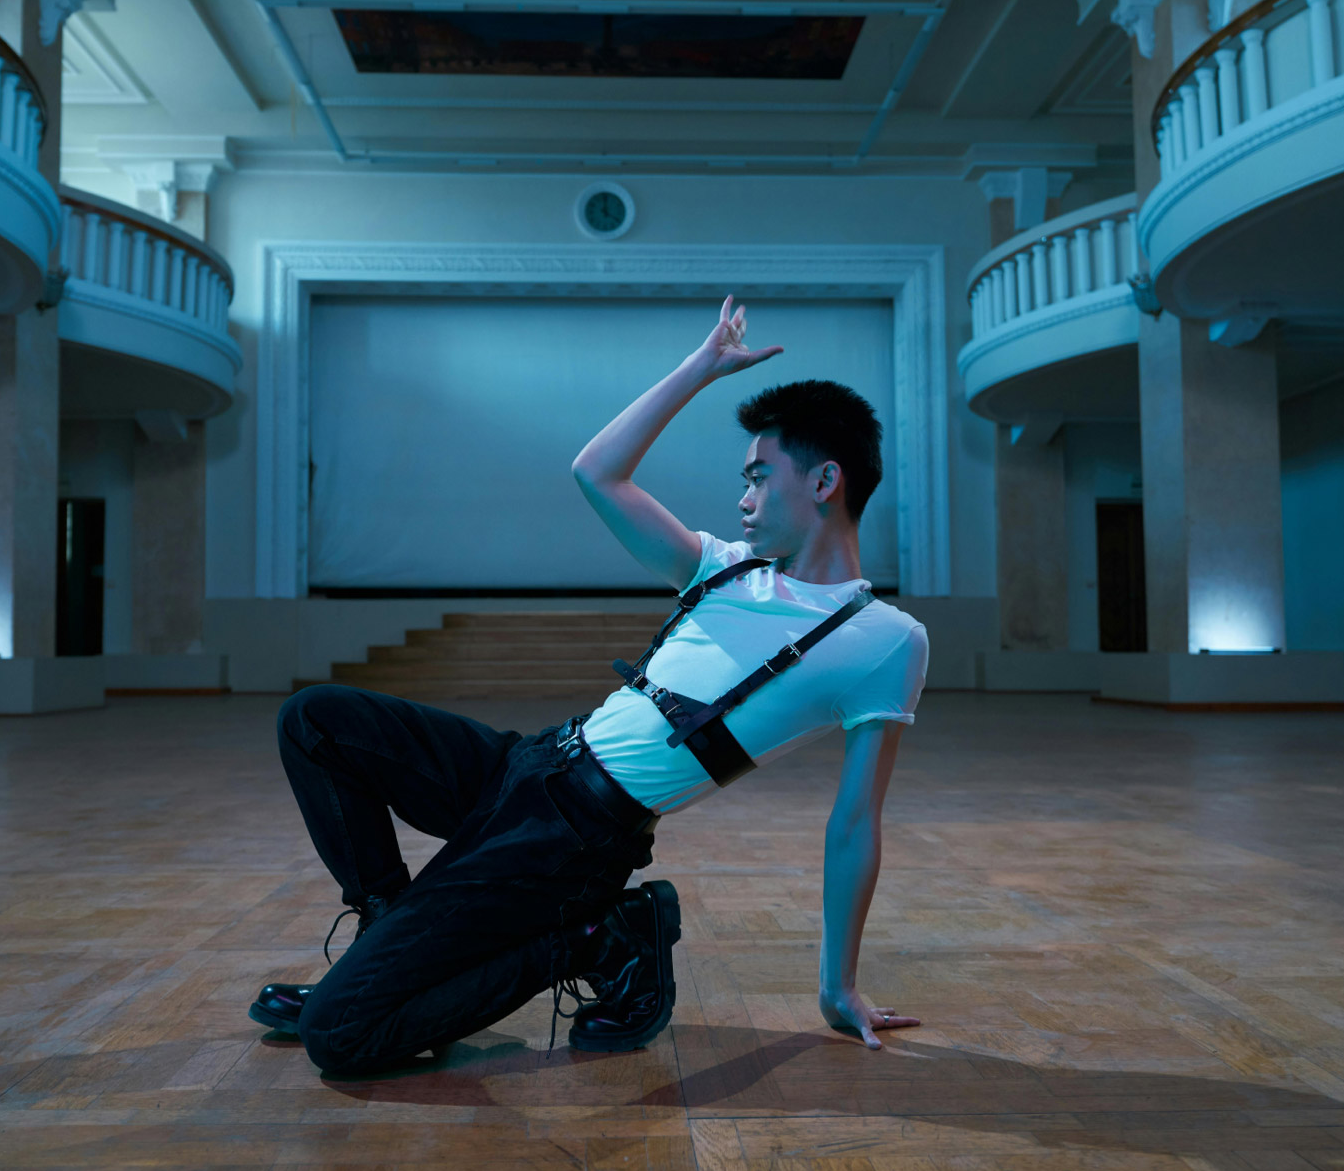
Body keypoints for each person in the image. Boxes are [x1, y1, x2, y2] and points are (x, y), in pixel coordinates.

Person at [252, 295, 930, 1075]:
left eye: (758, 478)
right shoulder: (722, 565)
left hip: (575, 839)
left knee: (341, 1036)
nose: (743, 499)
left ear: (825, 481)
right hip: (528, 764)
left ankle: (596, 939)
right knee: (317, 720)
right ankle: (386, 934)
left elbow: (855, 822)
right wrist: (700, 369)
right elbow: (597, 472)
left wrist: (837, 986)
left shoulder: (882, 639)